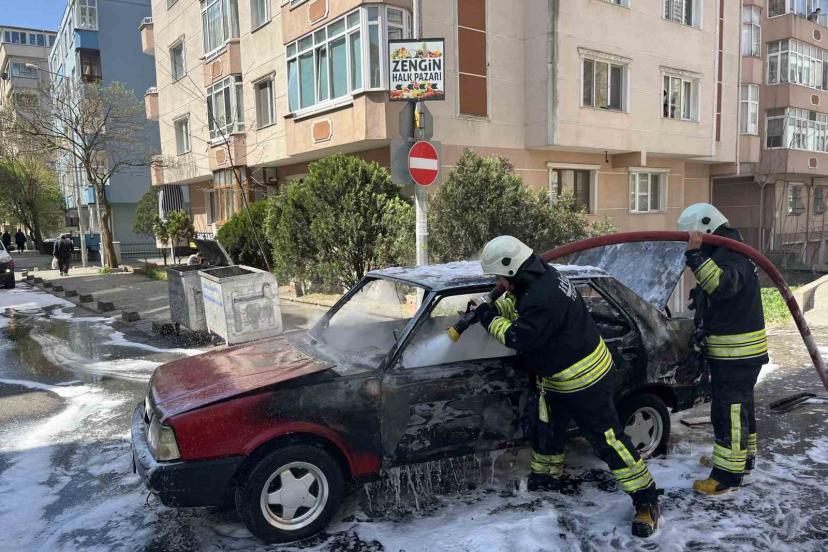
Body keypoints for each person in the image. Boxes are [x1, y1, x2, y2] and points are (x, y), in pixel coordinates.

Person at [473, 235, 662, 538]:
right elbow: (521, 306)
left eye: (499, 278)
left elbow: (519, 337)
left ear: (512, 269)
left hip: (586, 380)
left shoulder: (541, 296)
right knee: (548, 428)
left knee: (610, 442)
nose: (498, 283)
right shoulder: (541, 276)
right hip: (558, 376)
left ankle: (646, 500)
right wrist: (497, 306)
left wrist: (488, 317)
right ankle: (547, 481)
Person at [677, 204, 767, 495]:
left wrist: (695, 257)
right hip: (735, 352)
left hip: (736, 353)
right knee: (741, 409)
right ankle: (741, 460)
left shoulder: (732, 253)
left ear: (703, 228)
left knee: (730, 412)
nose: (690, 244)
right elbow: (722, 291)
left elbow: (723, 285)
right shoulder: (728, 251)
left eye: (690, 238)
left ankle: (726, 476)